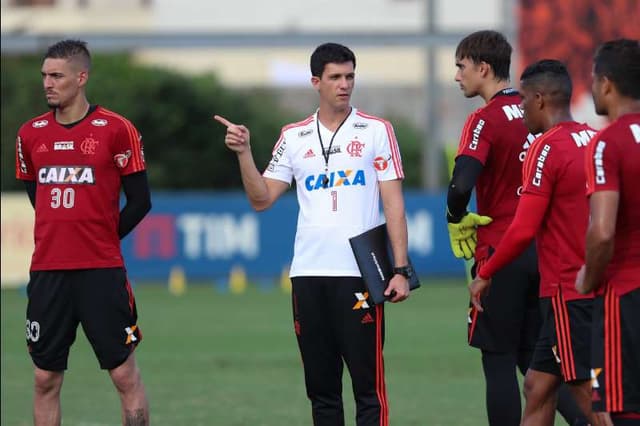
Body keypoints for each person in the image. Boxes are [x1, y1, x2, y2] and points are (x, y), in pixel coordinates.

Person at [215, 42, 410, 426]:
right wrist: (243, 153)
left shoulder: (375, 131)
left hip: (359, 275)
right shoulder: (293, 136)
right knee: (321, 392)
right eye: (335, 77)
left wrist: (401, 269)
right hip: (307, 276)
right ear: (315, 82)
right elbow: (261, 199)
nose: (344, 84)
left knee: (369, 391)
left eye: (350, 76)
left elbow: (394, 205)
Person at [446, 30, 586, 426]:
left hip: (501, 250)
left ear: (483, 68)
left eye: (461, 66)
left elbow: (461, 184)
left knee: (499, 359)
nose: (457, 75)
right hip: (545, 256)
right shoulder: (541, 119)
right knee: (538, 361)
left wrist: (456, 217)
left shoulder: (484, 119)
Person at [15, 39, 151, 426]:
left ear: (81, 77)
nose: (48, 83)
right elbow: (37, 197)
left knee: (124, 374)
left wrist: (104, 238)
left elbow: (140, 202)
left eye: (56, 76)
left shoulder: (116, 129)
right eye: (44, 75)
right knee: (44, 378)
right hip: (48, 271)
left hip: (101, 271)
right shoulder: (30, 135)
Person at [576, 38, 640, 426]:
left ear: (607, 84)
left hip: (625, 294)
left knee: (618, 409)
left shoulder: (608, 142)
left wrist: (589, 276)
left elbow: (602, 232)